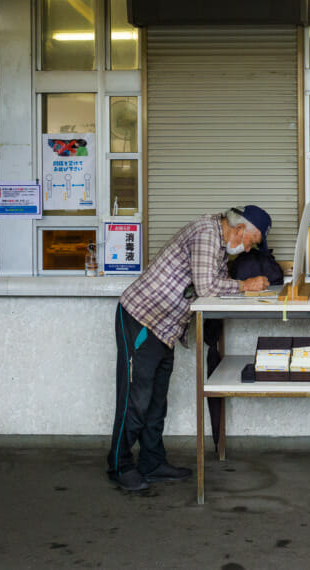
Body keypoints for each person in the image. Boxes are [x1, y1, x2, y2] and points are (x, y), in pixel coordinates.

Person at [107, 205, 273, 492]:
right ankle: (119, 465)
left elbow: (210, 285)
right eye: (251, 242)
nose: (248, 250)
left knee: (157, 401)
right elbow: (207, 286)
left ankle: (152, 462)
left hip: (164, 329)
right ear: (240, 229)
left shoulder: (220, 245)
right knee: (136, 399)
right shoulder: (206, 233)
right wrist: (245, 286)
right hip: (141, 320)